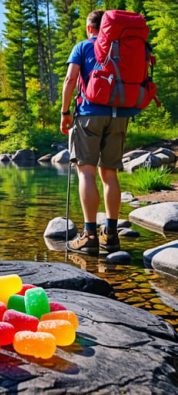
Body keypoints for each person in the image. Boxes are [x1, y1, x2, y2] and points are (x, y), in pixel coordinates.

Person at [60, 10, 140, 255]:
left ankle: (90, 235)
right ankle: (112, 235)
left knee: (86, 172)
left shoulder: (83, 47)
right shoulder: (122, 48)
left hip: (89, 115)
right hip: (120, 115)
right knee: (110, 174)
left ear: (90, 27)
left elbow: (70, 79)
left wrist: (65, 113)